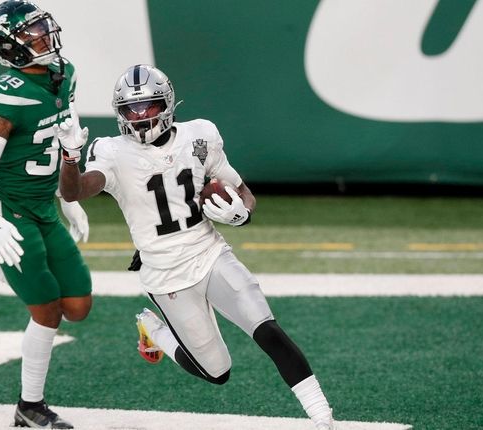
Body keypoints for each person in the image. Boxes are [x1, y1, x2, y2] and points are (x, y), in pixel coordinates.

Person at [56, 64, 335, 429]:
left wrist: (241, 214)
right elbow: (74, 190)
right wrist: (69, 157)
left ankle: (324, 418)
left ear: (167, 104)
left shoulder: (200, 135)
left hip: (209, 252)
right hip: (166, 274)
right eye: (131, 110)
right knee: (217, 372)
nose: (140, 118)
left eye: (149, 107)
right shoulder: (112, 151)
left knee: (267, 328)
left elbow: (243, 192)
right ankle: (153, 329)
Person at [0, 1, 92, 428]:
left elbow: (66, 121)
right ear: (11, 49)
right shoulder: (6, 95)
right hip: (8, 212)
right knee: (47, 311)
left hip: (43, 204)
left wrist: (69, 196)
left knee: (78, 307)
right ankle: (29, 408)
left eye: (44, 28)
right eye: (33, 34)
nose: (45, 37)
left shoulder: (64, 72)